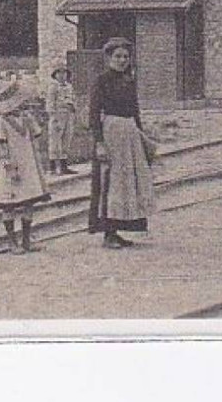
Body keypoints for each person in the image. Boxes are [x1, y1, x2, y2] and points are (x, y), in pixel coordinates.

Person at [87, 37, 155, 249]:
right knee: (111, 182)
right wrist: (99, 142)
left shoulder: (129, 80)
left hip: (130, 133)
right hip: (111, 133)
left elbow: (135, 111)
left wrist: (141, 136)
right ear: (109, 58)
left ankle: (119, 229)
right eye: (118, 56)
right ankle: (107, 232)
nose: (122, 60)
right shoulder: (102, 81)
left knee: (129, 183)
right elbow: (93, 114)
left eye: (125, 56)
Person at [0, 101, 51, 253]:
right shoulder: (0, 123)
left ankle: (27, 240)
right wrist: (9, 167)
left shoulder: (27, 119)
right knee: (9, 204)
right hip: (10, 168)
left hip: (27, 166)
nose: (17, 107)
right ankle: (12, 242)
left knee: (29, 202)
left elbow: (35, 140)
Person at [45, 65, 78, 175]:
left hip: (68, 115)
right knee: (55, 141)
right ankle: (53, 167)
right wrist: (53, 118)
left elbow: (73, 99)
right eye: (59, 73)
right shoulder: (53, 87)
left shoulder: (69, 86)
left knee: (66, 140)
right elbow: (50, 104)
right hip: (57, 116)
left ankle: (64, 166)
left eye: (64, 73)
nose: (62, 75)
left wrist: (73, 108)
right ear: (55, 75)